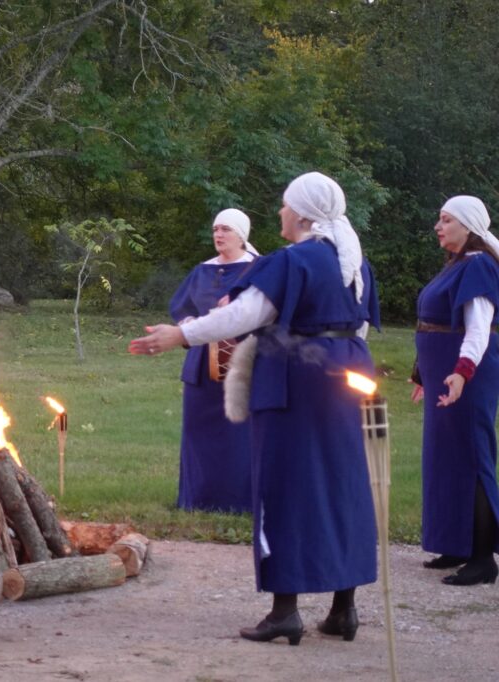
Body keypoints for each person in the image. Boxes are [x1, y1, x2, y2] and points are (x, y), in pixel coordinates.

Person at [130, 172, 379, 645]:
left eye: (285, 206)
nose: (280, 214)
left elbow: (245, 316)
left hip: (296, 381)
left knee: (285, 486)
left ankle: (285, 611)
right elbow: (359, 327)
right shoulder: (353, 260)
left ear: (303, 213)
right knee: (341, 483)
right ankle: (344, 607)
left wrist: (180, 335)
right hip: (343, 378)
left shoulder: (296, 259)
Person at [412, 195, 499, 586]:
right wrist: (421, 373)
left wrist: (462, 372)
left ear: (467, 226)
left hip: (469, 374)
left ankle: (482, 558)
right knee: (446, 458)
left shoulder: (479, 264)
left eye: (446, 220)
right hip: (444, 374)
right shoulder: (457, 263)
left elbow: (479, 328)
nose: (438, 226)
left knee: (471, 457)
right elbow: (436, 322)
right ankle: (457, 544)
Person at [168, 209, 258, 513]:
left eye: (225, 230)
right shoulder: (202, 270)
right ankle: (197, 500)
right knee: (198, 432)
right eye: (215, 229)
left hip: (243, 363)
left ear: (241, 234)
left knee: (239, 434)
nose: (218, 235)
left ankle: (238, 501)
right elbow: (180, 306)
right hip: (202, 363)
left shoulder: (258, 269)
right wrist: (192, 323)